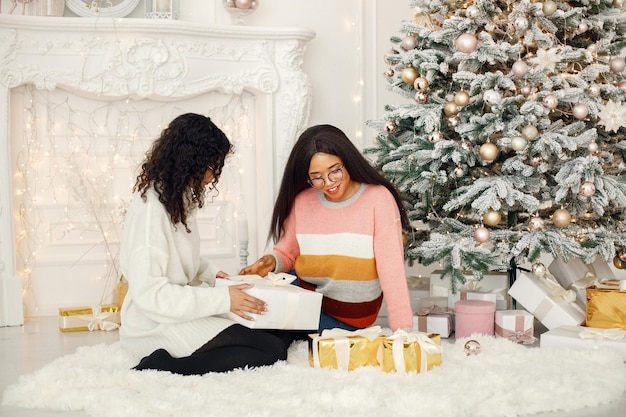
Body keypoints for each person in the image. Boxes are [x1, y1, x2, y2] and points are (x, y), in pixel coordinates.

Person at [118, 113, 287, 375]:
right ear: (190, 160)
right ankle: (165, 366)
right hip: (153, 322)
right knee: (271, 351)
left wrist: (209, 273)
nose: (212, 176)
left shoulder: (174, 198)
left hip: (177, 311)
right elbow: (151, 296)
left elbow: (178, 259)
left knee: (275, 335)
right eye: (211, 165)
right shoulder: (151, 212)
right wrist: (223, 299)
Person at [240, 124, 413, 332]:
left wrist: (403, 333)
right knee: (247, 313)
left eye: (335, 171)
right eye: (317, 177)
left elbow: (391, 271)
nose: (328, 183)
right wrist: (271, 262)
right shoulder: (304, 200)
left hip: (349, 317)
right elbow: (287, 253)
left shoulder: (378, 198)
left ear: (347, 161)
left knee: (259, 328)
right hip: (304, 296)